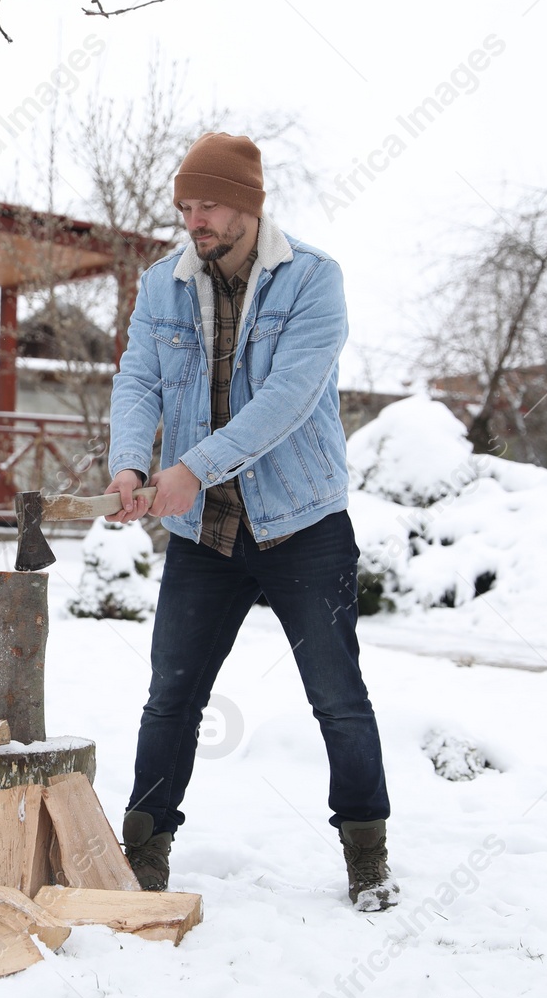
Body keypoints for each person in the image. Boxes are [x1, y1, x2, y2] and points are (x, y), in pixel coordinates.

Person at [105, 131, 397, 911]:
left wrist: (193, 465)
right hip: (207, 531)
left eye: (209, 203)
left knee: (337, 695)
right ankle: (145, 849)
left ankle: (366, 850)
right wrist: (132, 463)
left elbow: (289, 400)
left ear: (250, 204)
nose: (194, 218)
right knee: (171, 694)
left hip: (303, 521)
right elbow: (137, 379)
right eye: (185, 205)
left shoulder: (313, 279)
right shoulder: (162, 284)